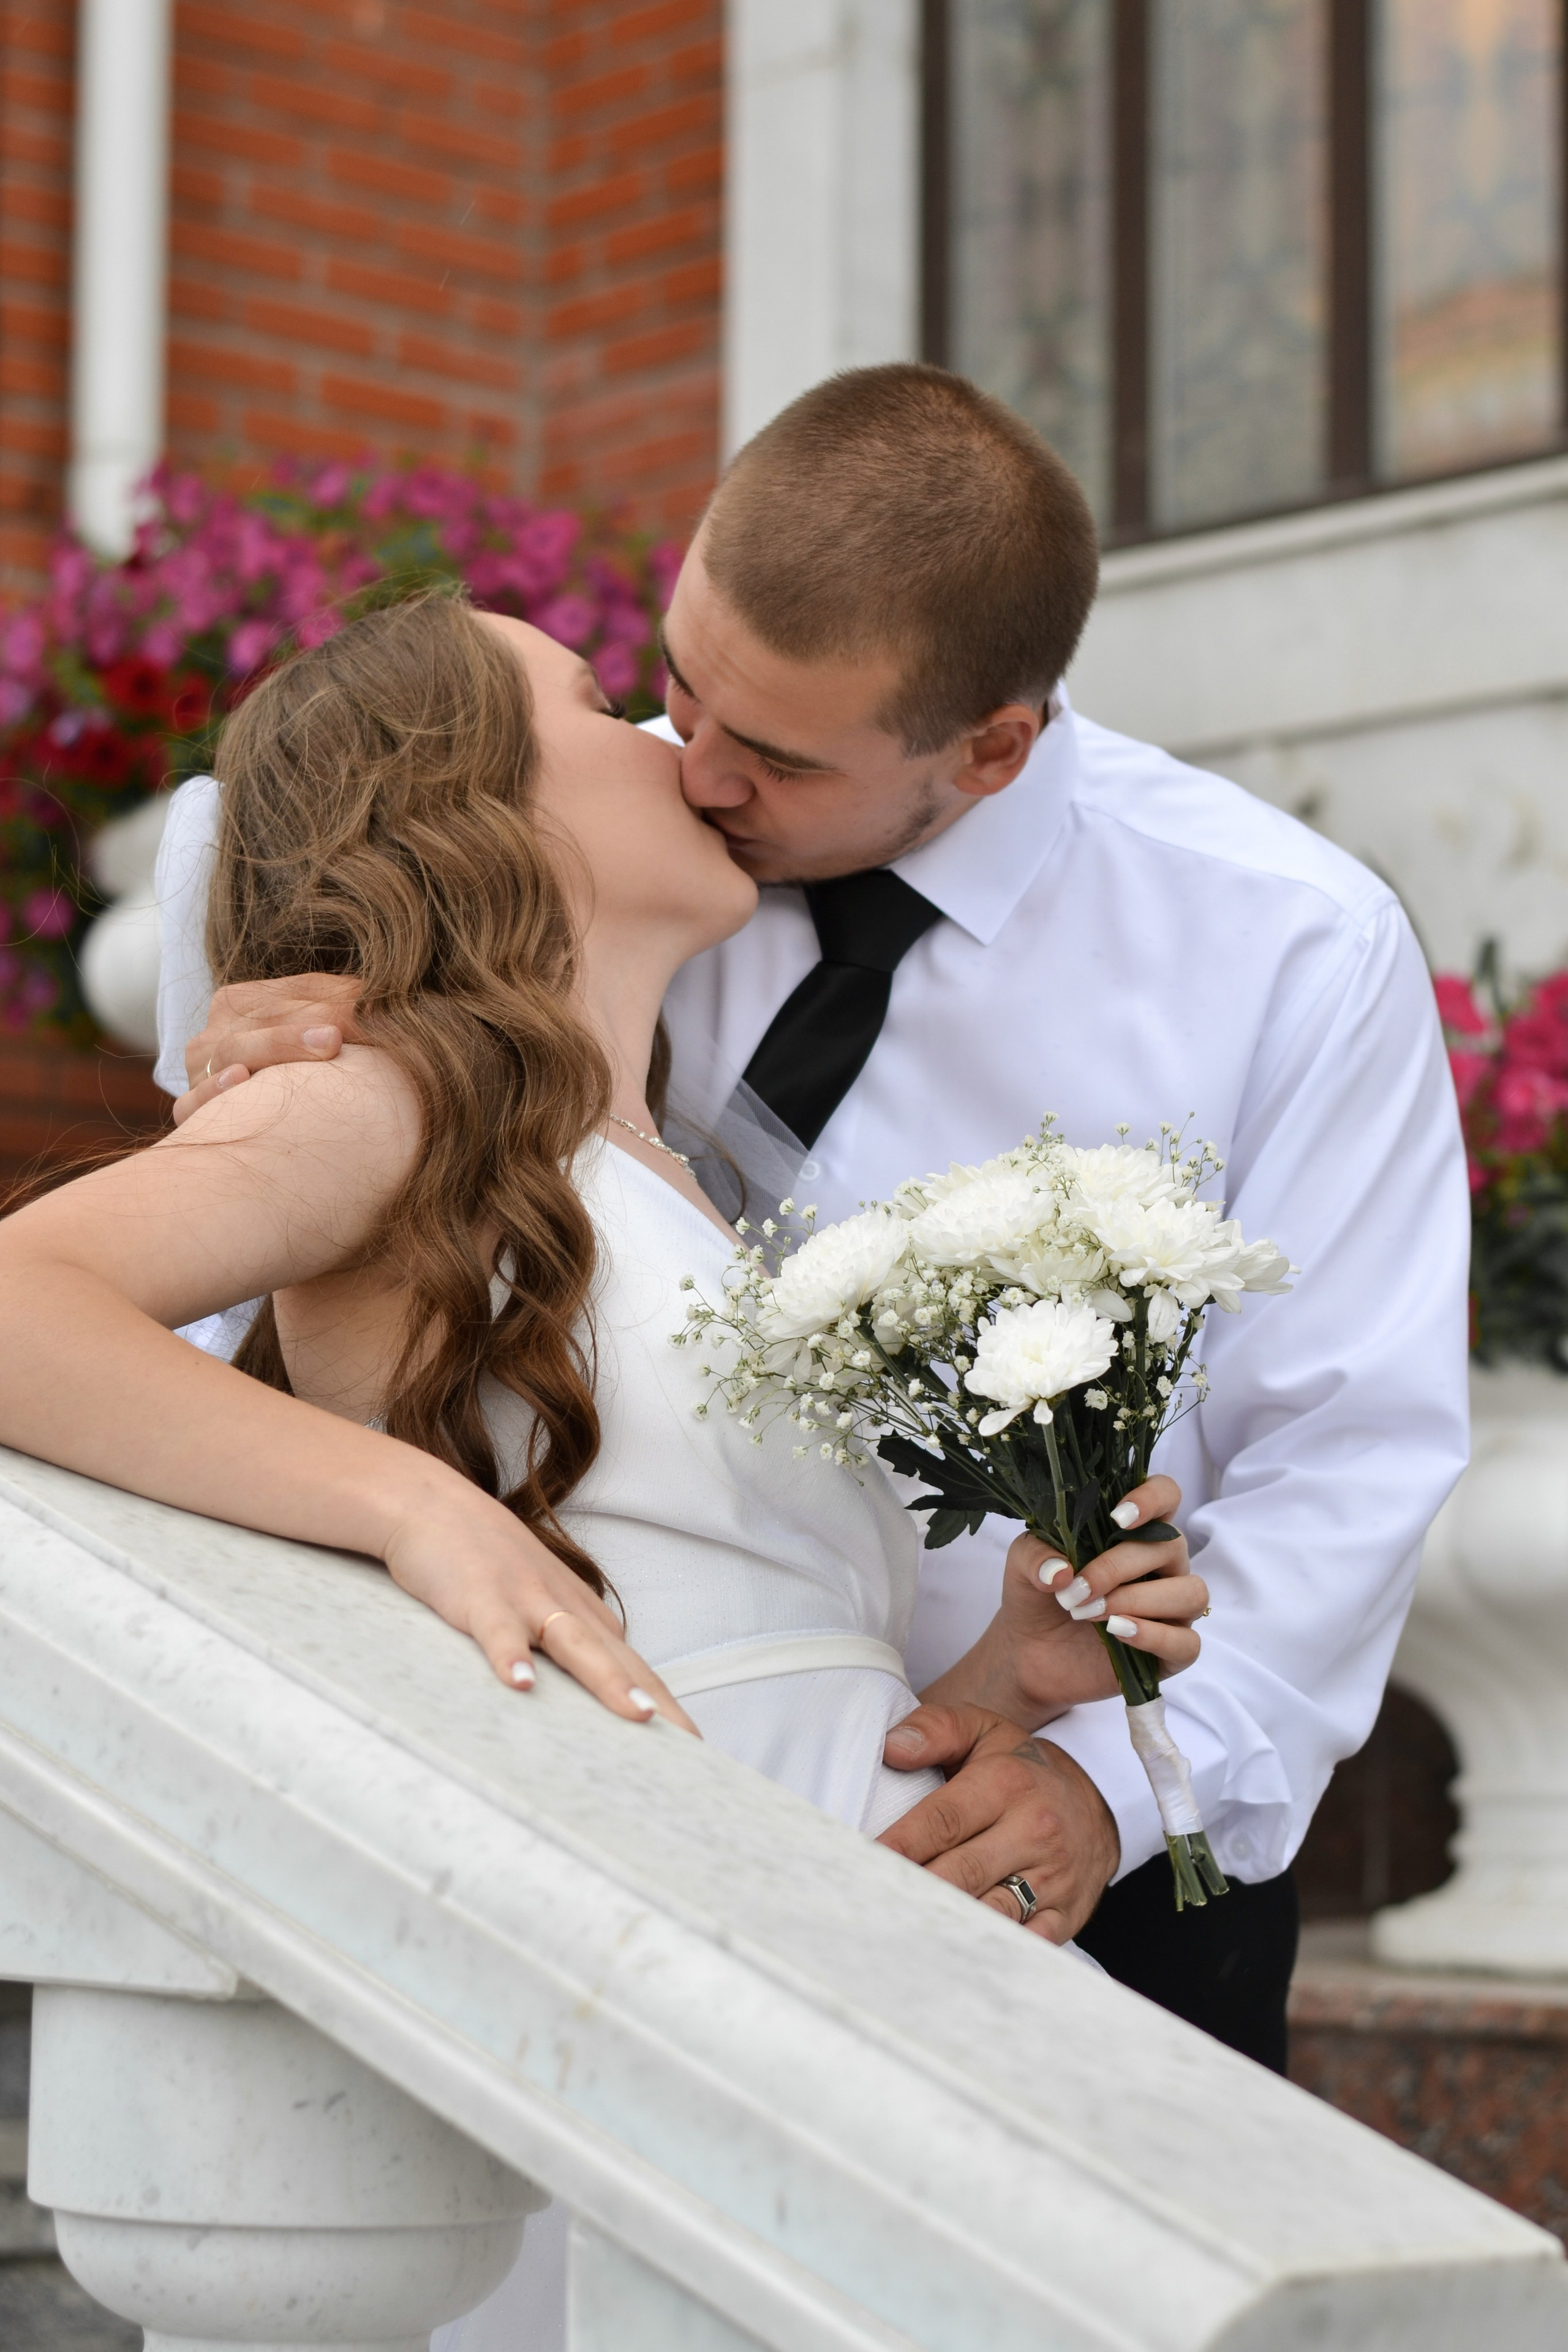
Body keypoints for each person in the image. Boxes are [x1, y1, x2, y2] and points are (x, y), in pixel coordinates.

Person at [159, 365, 1471, 2075]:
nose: (695, 768)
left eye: (773, 754)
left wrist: (1114, 1786)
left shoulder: (1289, 947)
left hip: (1079, 1840)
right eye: (676, 682)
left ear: (993, 747)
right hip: (612, 1815)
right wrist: (259, 1034)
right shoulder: (586, 832)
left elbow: (1350, 1457)